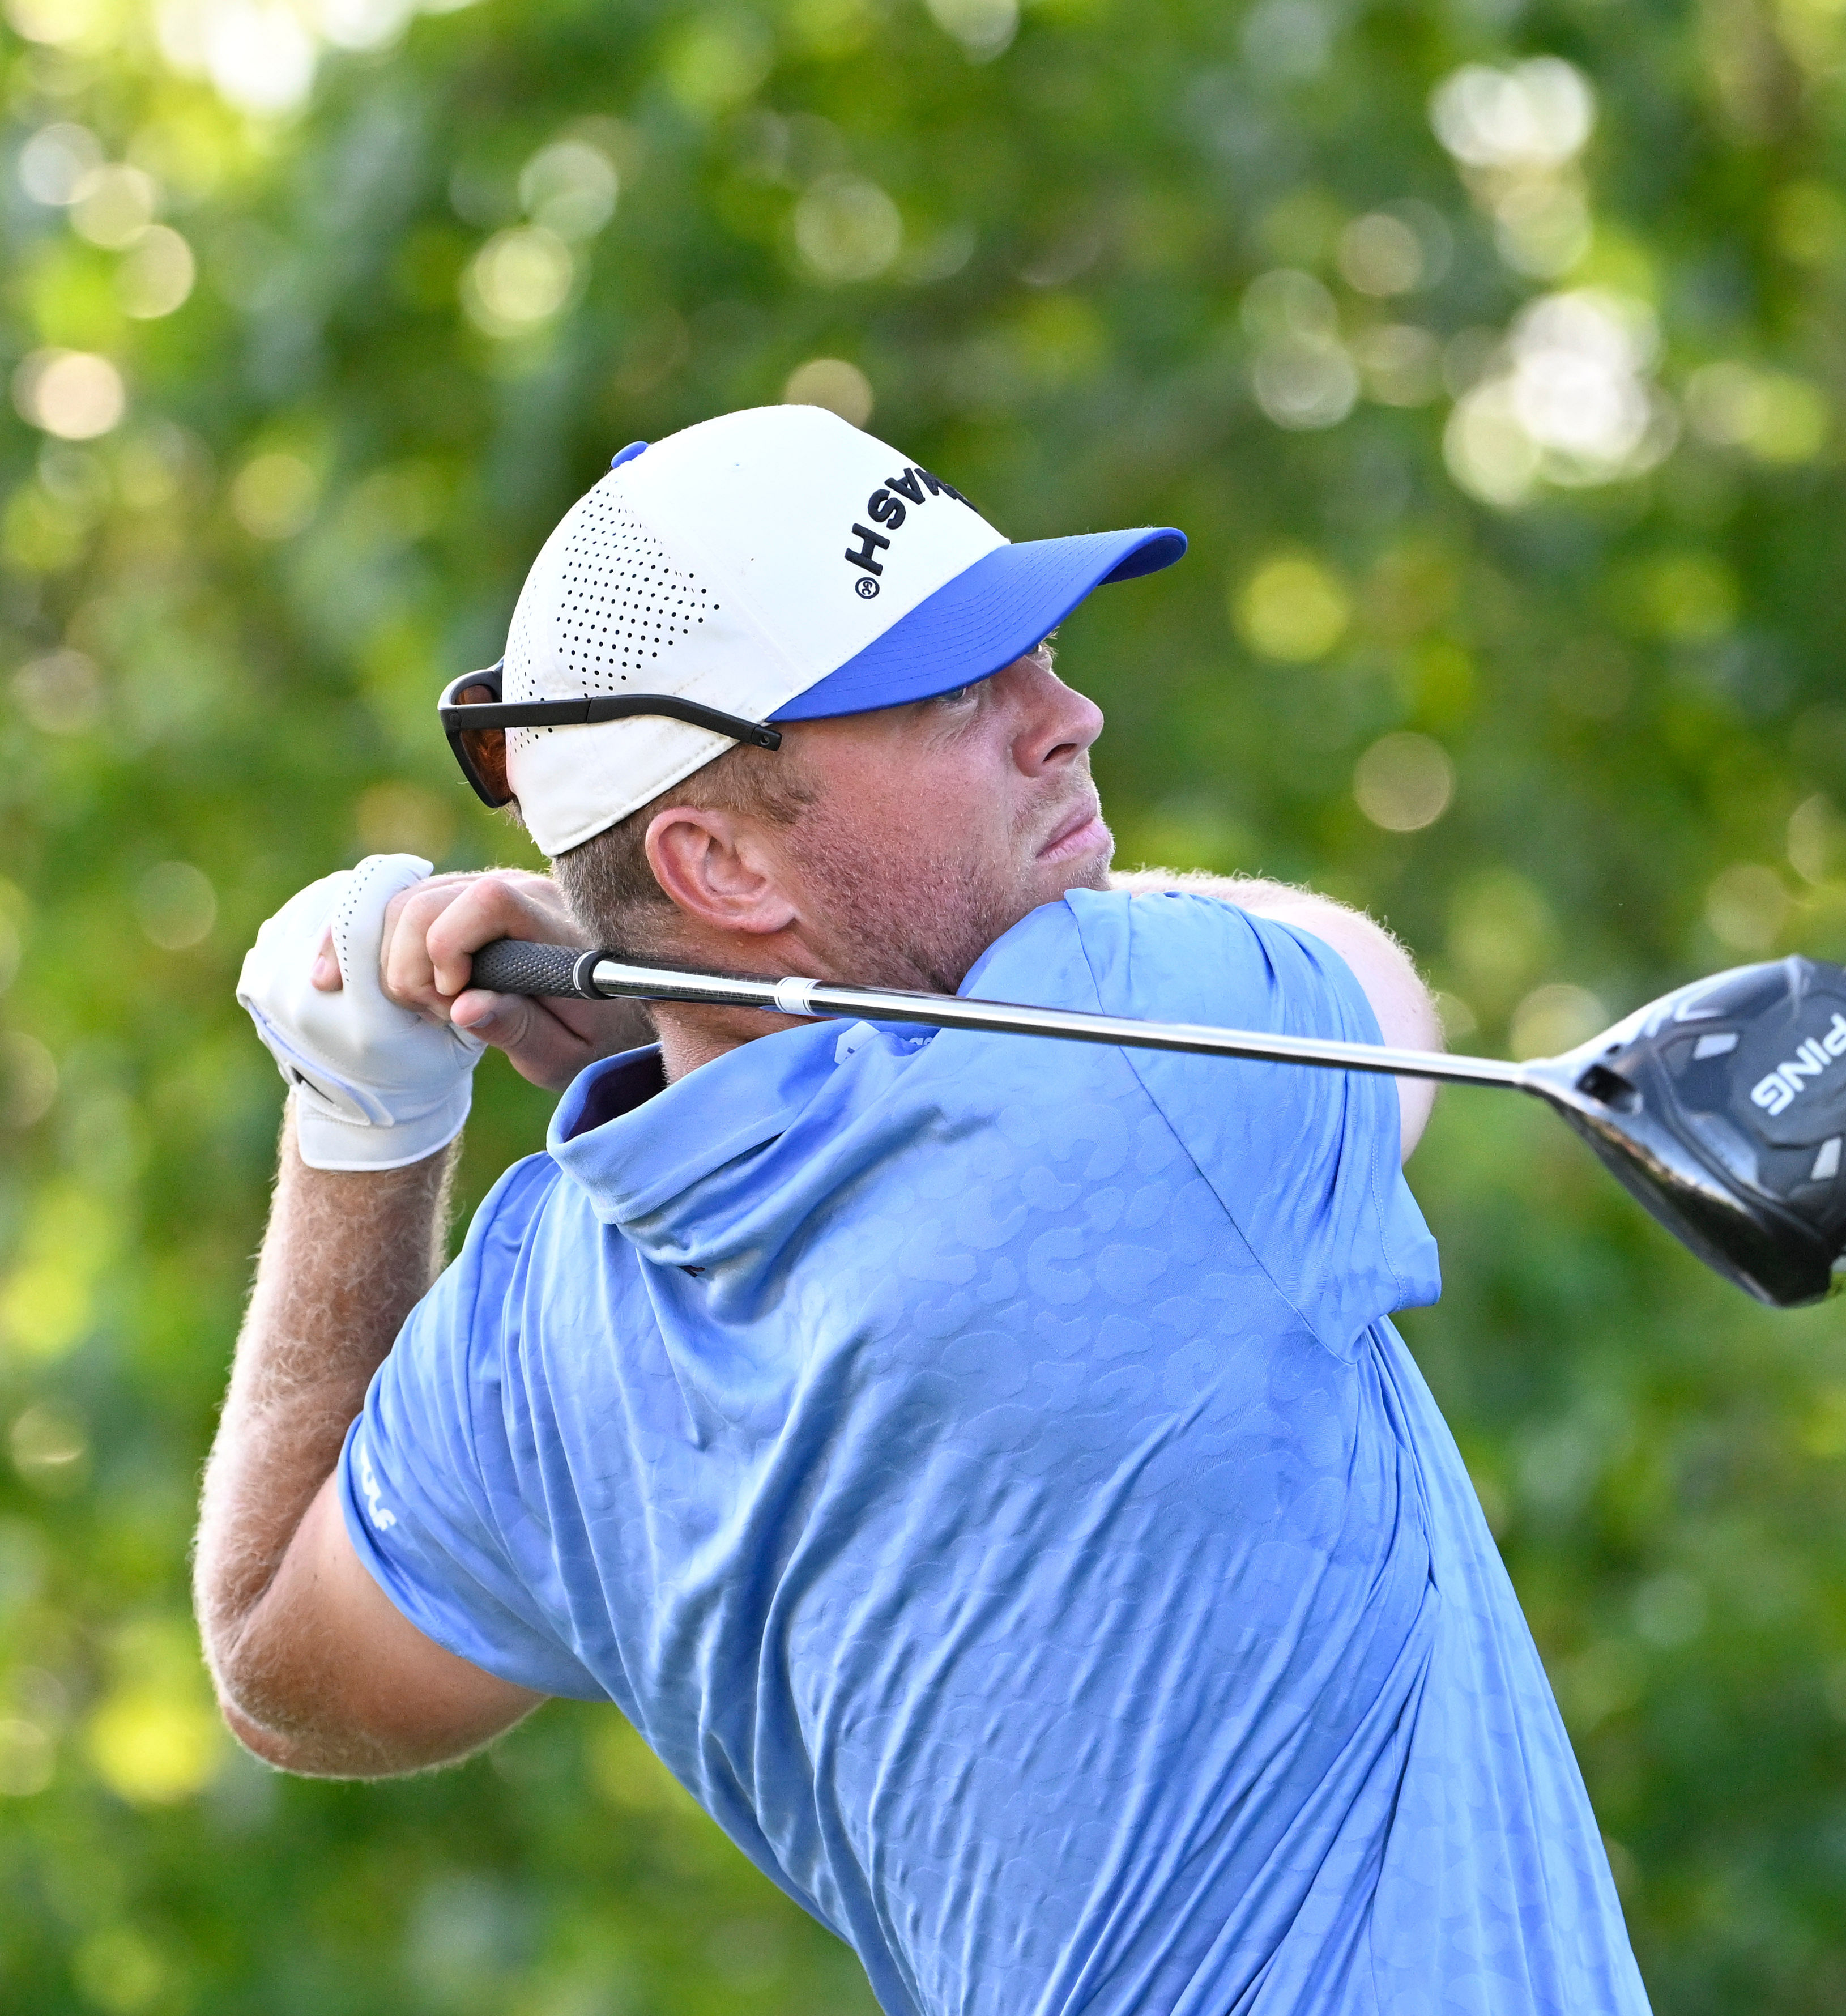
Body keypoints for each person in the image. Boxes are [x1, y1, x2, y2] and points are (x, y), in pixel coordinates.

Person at [204, 405, 1652, 2014]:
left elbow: (281, 1666)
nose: (1070, 715)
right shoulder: (1129, 1062)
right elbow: (1374, 995)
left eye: (1034, 653)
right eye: (961, 690)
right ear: (722, 867)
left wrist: (366, 1121)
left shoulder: (532, 1333)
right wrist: (716, 1003)